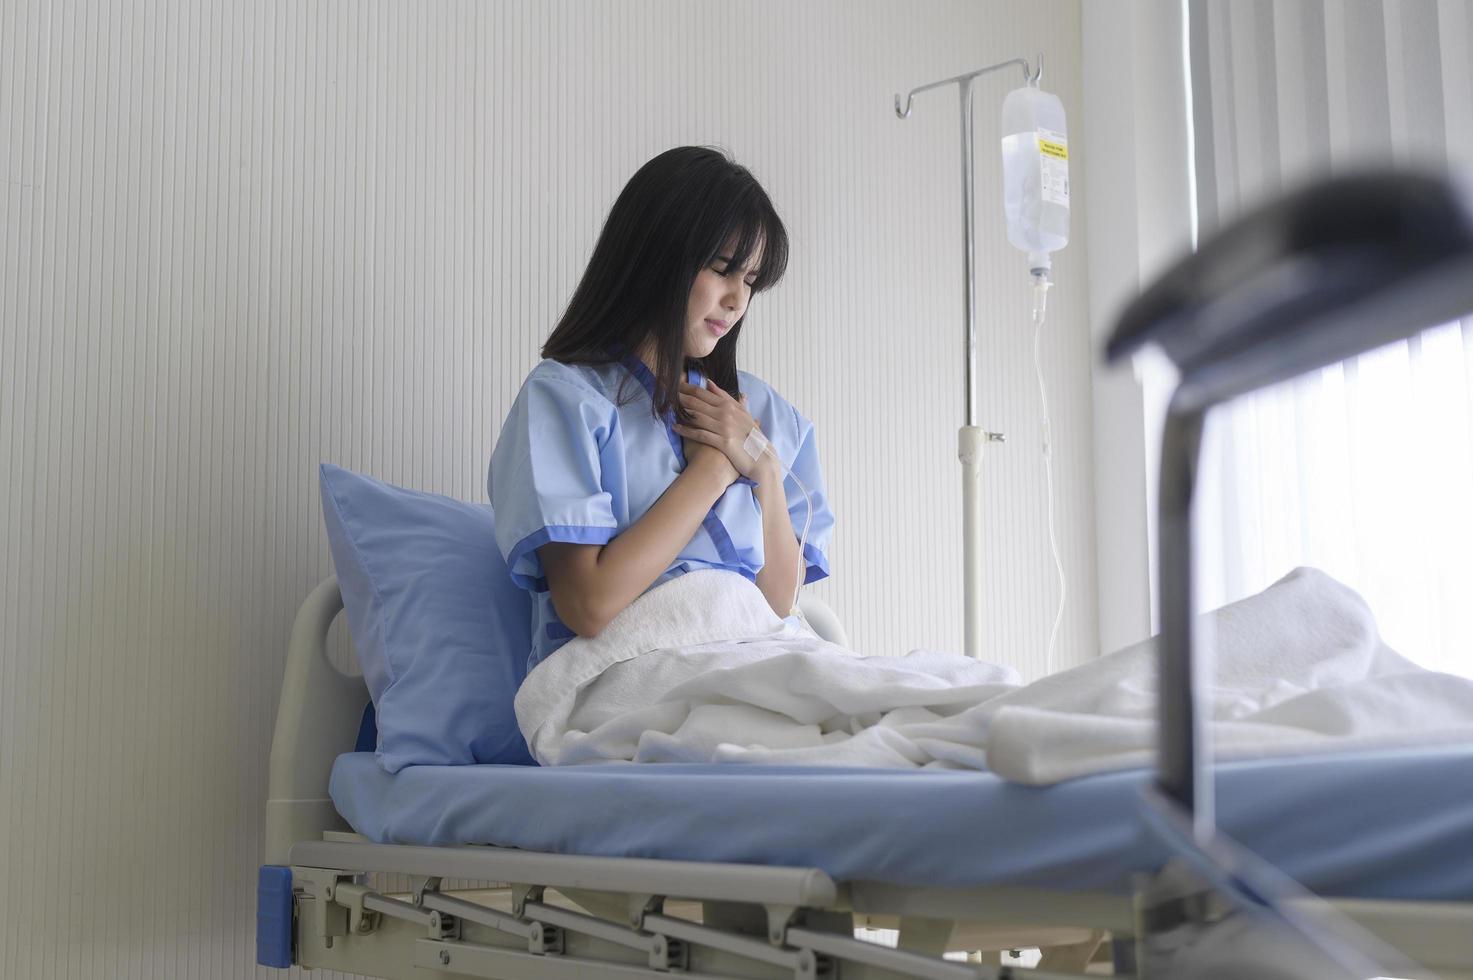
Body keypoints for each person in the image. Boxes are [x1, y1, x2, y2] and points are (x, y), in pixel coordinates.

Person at [489, 145, 834, 675]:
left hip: (750, 662)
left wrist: (762, 465)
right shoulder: (566, 402)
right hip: (617, 683)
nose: (737, 300)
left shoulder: (762, 412)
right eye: (723, 270)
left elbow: (777, 606)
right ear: (659, 256)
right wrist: (714, 470)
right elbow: (589, 605)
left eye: (750, 281)